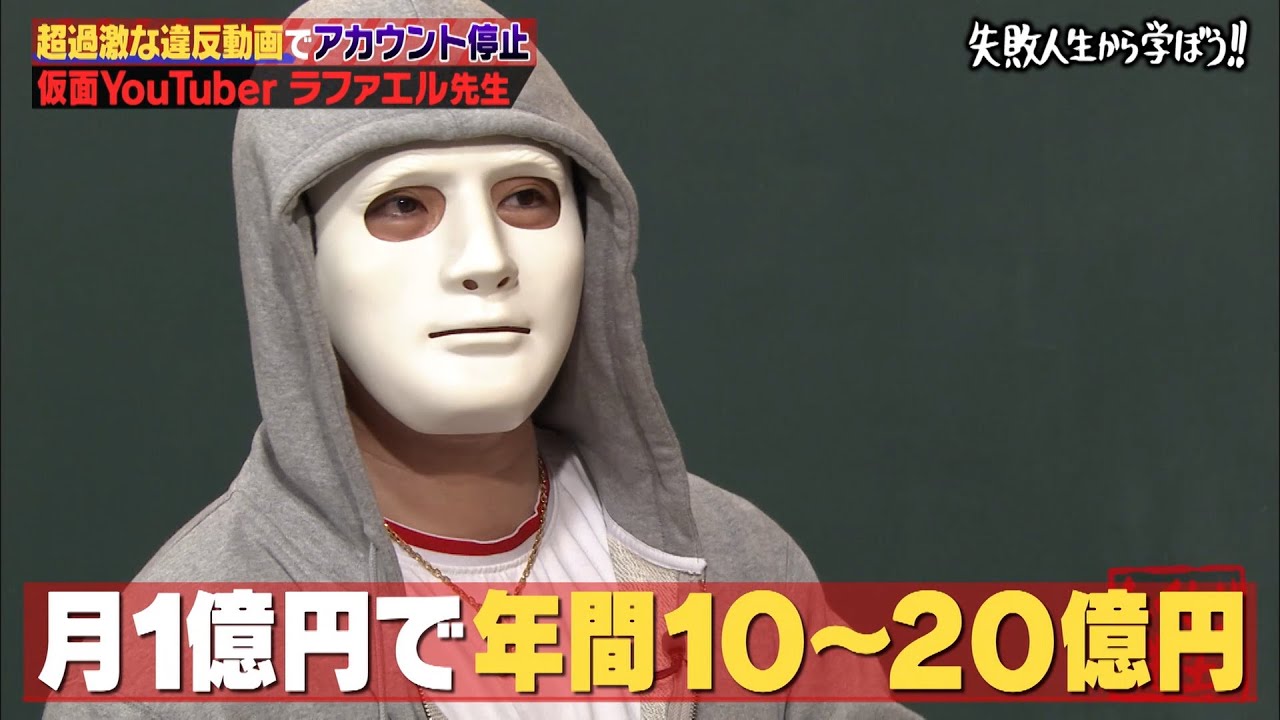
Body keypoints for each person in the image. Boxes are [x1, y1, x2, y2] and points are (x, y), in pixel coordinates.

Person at [45, 0, 921, 718]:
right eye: (402, 206)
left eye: (526, 197)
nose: (484, 258)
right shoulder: (169, 662)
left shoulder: (736, 561)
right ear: (296, 263)